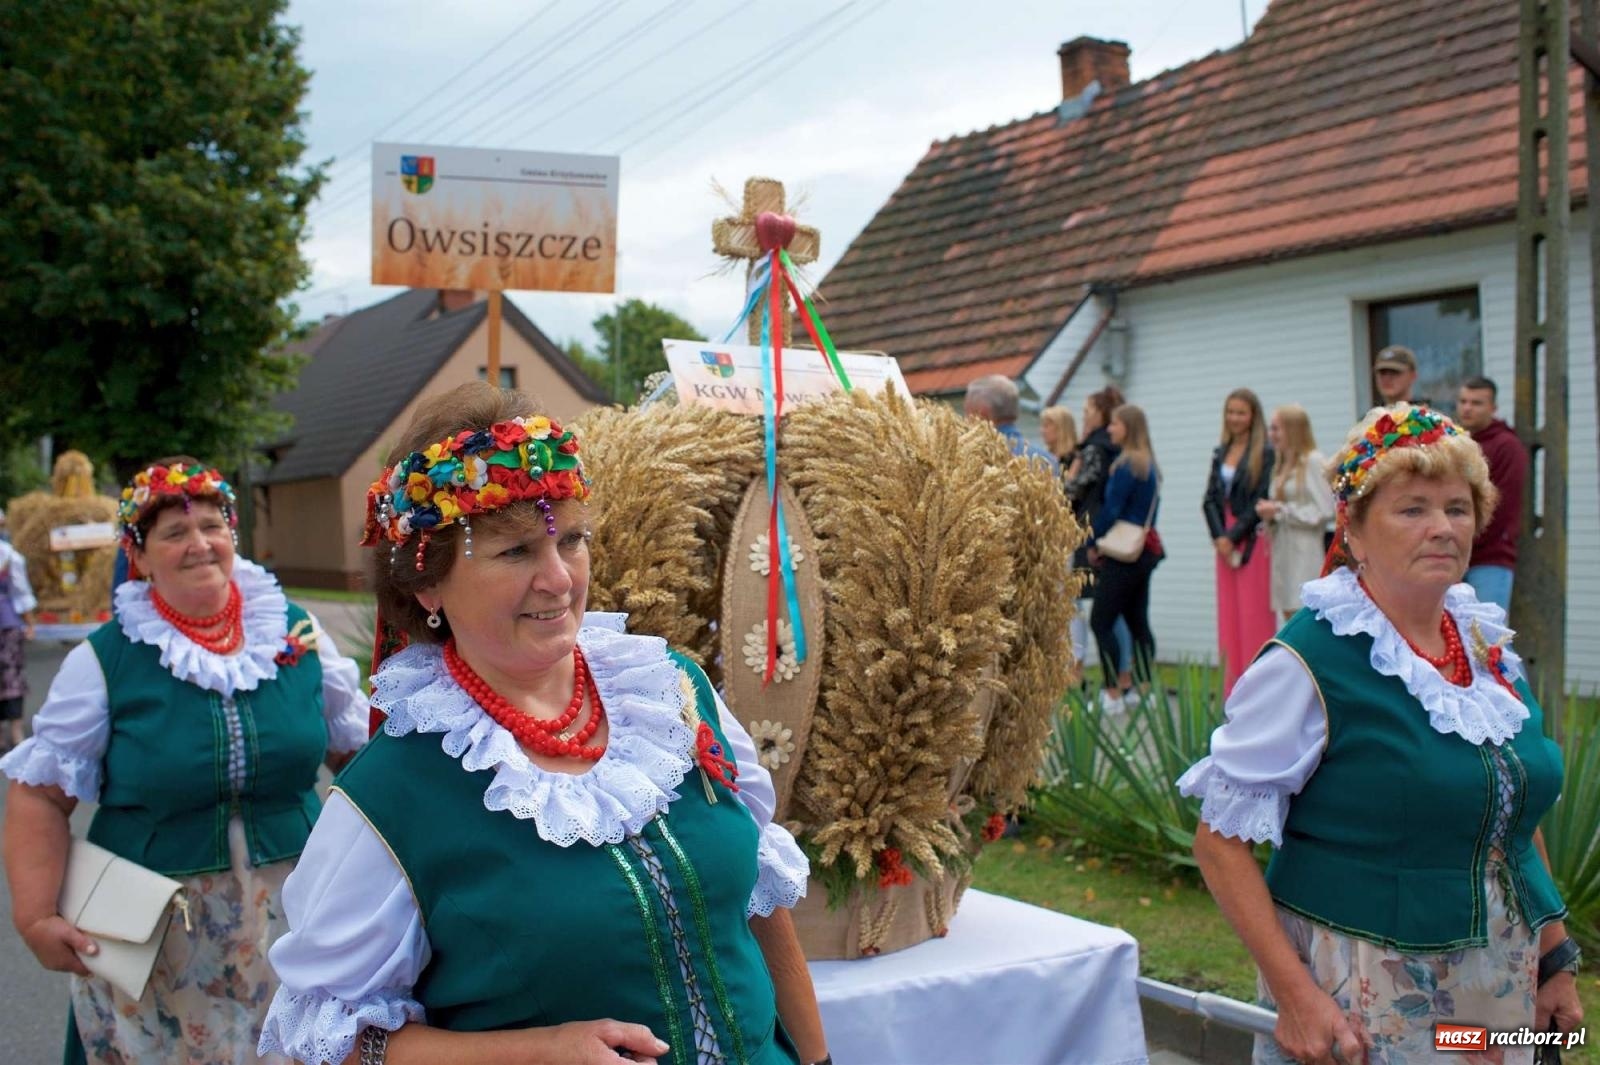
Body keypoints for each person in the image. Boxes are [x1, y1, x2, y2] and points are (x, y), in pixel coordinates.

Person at [259, 383, 829, 1065]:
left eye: (573, 539)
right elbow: (332, 1037)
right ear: (426, 584)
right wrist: (539, 1050)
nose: (559, 578)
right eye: (517, 551)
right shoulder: (393, 793)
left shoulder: (673, 692)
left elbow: (763, 900)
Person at [1179, 403, 1582, 1064]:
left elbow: (1516, 814)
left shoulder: (1484, 644)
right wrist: (1295, 998)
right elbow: (1219, 843)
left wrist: (1555, 952)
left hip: (1496, 985)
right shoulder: (1311, 660)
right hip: (1369, 994)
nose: (1442, 528)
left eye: (1457, 508)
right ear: (1354, 530)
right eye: (1413, 508)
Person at [0, 458, 369, 1064]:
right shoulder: (105, 661)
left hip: (293, 916)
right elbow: (40, 792)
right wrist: (37, 916)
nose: (199, 544)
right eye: (174, 533)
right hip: (153, 932)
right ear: (139, 558)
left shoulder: (295, 635)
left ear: (232, 538)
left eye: (212, 527)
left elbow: (355, 759)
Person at [1203, 388, 1276, 695]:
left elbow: (1260, 498)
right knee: (1228, 615)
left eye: (1241, 412)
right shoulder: (1221, 451)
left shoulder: (1265, 452)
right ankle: (1231, 692)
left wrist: (1233, 537)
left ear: (1253, 416)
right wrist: (1220, 537)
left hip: (1250, 541)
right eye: (1230, 411)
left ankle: (1258, 689)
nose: (1234, 418)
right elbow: (1209, 499)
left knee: (1253, 615)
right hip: (1224, 542)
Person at [1088, 404, 1162, 708]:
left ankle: (1112, 693)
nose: (1110, 429)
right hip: (1143, 550)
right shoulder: (1150, 465)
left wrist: (1093, 540)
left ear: (1128, 428)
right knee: (1137, 620)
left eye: (1115, 424)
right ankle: (1144, 690)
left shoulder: (1126, 464)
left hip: (1121, 553)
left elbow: (1112, 509)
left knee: (1101, 620)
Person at [1063, 387, 1134, 704]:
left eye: (1088, 410)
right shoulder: (1120, 450)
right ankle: (1125, 677)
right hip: (1113, 536)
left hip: (1091, 533)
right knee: (1117, 611)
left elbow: (1073, 491)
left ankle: (1112, 686)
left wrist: (1069, 474)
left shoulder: (1093, 450)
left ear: (1102, 414)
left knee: (1098, 612)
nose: (1084, 415)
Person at [1255, 405, 1334, 622]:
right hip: (1283, 551)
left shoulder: (1313, 461)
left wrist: (1281, 510)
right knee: (1287, 615)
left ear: (1293, 429)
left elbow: (1326, 510)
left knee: (1304, 614)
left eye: (1276, 429)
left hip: (1305, 552)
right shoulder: (1281, 464)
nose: (1271, 435)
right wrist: (1270, 515)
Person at [1455, 376, 1526, 613]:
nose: (1467, 408)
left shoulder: (1507, 446)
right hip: (1453, 554)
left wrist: (1463, 539)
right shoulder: (1457, 443)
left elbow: (1502, 508)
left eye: (1476, 403)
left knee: (1488, 637)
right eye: (1463, 401)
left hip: (1490, 558)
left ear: (1493, 408)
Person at [0, 509, 37, 754]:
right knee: (12, 675)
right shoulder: (8, 554)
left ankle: (11, 732)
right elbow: (20, 591)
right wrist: (30, 622)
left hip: (6, 622)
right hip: (6, 621)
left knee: (11, 674)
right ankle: (14, 731)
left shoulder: (9, 555)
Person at [964, 374, 1057, 471]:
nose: (965, 421)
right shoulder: (1049, 460)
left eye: (967, 413)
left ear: (982, 414)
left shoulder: (974, 463)